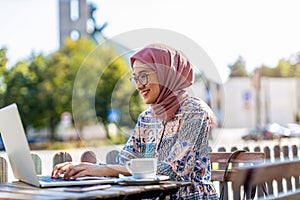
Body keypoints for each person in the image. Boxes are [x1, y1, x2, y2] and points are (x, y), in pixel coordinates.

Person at [52, 44, 219, 199]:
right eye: (135, 78)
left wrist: (103, 169)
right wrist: (84, 170)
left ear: (165, 74)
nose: (139, 85)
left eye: (144, 76)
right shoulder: (146, 118)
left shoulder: (195, 112)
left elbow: (174, 171)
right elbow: (123, 164)